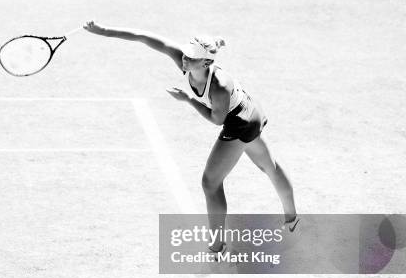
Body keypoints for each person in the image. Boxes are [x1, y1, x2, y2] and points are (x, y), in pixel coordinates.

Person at [83, 21, 298, 253]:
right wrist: (104, 31)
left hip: (242, 121)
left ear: (206, 62)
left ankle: (217, 246)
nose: (185, 59)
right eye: (185, 53)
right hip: (250, 112)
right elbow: (144, 36)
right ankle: (292, 219)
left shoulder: (219, 86)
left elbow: (217, 119)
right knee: (268, 165)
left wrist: (188, 99)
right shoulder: (185, 60)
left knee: (210, 183)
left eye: (192, 57)